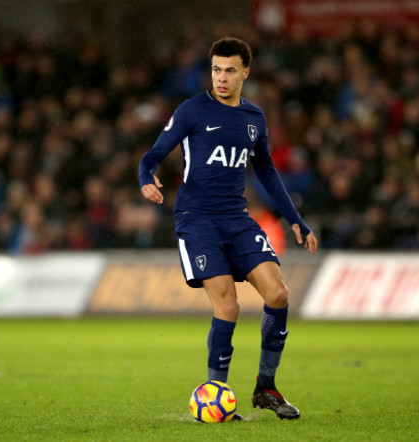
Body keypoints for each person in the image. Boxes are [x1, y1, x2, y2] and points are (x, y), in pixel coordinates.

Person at [139, 37, 317, 420]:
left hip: (237, 219)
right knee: (229, 305)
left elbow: (266, 170)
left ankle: (265, 387)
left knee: (278, 295)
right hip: (197, 220)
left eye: (230, 70)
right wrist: (145, 176)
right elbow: (153, 153)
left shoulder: (254, 118)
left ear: (245, 73)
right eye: (217, 69)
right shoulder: (192, 111)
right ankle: (216, 393)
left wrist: (296, 220)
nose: (221, 77)